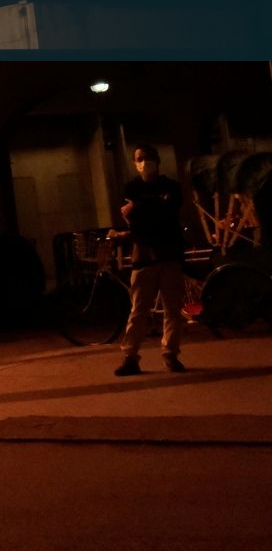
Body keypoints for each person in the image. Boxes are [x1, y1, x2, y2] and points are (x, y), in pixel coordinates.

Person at [115, 143, 189, 376]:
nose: (144, 162)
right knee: (138, 310)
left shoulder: (171, 187)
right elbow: (139, 219)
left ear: (157, 161)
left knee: (173, 310)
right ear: (135, 163)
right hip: (144, 255)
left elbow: (166, 214)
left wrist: (138, 208)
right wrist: (151, 208)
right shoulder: (131, 187)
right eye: (139, 159)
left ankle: (170, 355)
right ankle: (130, 357)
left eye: (148, 158)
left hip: (169, 254)